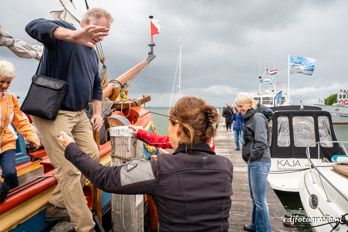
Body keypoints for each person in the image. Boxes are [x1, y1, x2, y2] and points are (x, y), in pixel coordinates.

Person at [59, 96, 233, 232]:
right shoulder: (225, 167)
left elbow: (104, 178)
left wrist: (71, 148)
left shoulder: (160, 169)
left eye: (170, 126)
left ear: (179, 128)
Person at [25, 8, 113, 232]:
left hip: (78, 113)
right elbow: (33, 25)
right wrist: (72, 35)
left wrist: (95, 112)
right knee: (69, 170)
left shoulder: (92, 52)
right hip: (54, 112)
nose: (101, 36)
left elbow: (95, 84)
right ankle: (85, 226)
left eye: (105, 33)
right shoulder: (63, 36)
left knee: (91, 156)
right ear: (85, 22)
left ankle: (57, 203)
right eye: (98, 30)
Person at [0, 60, 41, 201]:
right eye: (1, 81)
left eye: (8, 82)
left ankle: (16, 197)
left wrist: (33, 137)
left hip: (6, 142)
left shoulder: (11, 98)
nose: (5, 86)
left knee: (10, 172)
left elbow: (20, 120)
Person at [235, 93, 272, 232]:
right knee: (254, 196)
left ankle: (265, 229)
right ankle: (256, 224)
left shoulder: (257, 117)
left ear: (250, 104)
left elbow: (261, 142)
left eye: (240, 106)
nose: (238, 109)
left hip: (259, 161)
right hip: (254, 161)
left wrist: (252, 157)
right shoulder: (249, 117)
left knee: (260, 200)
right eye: (237, 106)